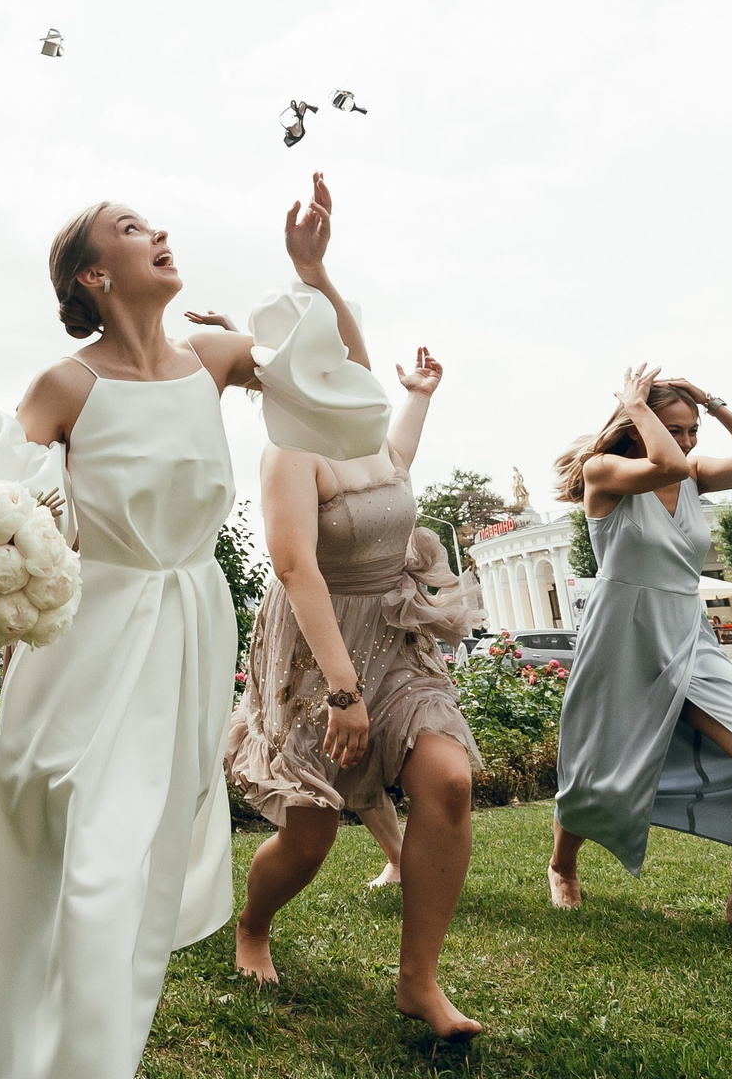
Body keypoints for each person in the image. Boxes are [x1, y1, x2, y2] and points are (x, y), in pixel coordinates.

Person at [0, 175, 389, 1079]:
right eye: (131, 228)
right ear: (93, 276)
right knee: (83, 852)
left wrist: (315, 274)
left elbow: (348, 395)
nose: (158, 233)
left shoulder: (214, 356)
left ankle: (95, 1053)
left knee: (135, 853)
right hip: (86, 638)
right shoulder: (64, 384)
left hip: (186, 631)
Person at [225, 346, 482, 1038]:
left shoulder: (370, 441)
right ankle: (253, 926)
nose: (339, 367)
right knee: (308, 841)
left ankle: (418, 981)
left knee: (448, 780)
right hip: (317, 649)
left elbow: (397, 459)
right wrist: (344, 693)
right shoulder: (288, 453)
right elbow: (294, 567)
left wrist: (419, 396)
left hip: (393, 638)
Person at [547, 367, 732, 944]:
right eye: (675, 429)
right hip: (623, 638)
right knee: (595, 771)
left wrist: (712, 402)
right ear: (635, 426)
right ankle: (562, 864)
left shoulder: (691, 474)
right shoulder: (603, 471)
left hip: (690, 638)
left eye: (693, 431)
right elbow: (662, 465)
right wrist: (636, 404)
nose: (687, 443)